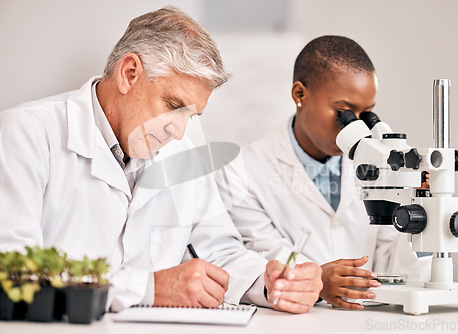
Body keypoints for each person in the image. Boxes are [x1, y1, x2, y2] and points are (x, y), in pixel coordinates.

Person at [0, 7, 322, 314]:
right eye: (173, 105)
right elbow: (11, 267)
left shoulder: (183, 152)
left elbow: (219, 250)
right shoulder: (27, 134)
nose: (180, 132)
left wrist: (268, 282)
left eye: (192, 117)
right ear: (129, 74)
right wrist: (147, 287)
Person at [216, 35, 431, 310]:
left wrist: (423, 220)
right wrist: (318, 281)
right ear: (300, 95)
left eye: (366, 115)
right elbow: (266, 260)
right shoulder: (242, 170)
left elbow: (397, 268)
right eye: (344, 112)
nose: (352, 127)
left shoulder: (377, 165)